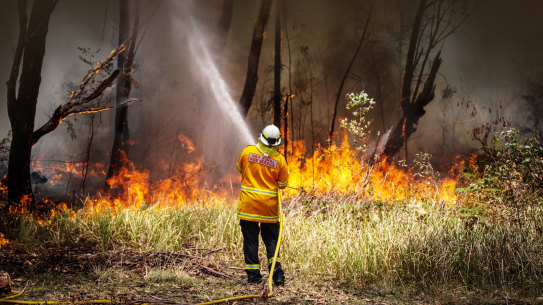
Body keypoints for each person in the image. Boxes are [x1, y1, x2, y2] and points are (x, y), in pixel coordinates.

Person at [236, 124, 289, 285]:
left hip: (248, 207)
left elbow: (239, 168)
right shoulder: (279, 160)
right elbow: (283, 183)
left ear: (261, 138)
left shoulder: (247, 152)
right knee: (272, 241)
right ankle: (277, 275)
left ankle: (253, 277)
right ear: (277, 142)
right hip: (269, 209)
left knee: (251, 241)